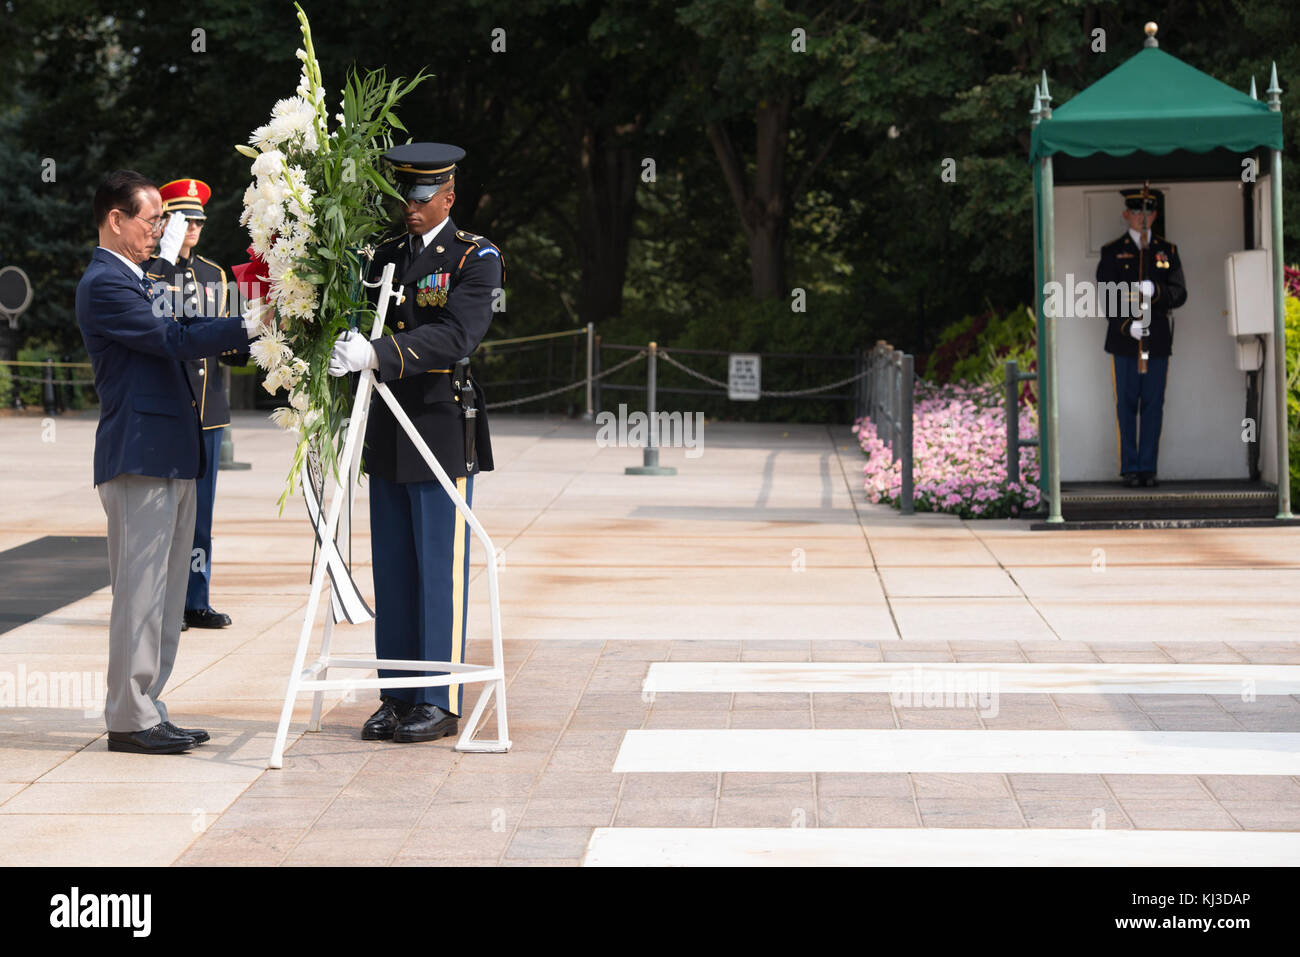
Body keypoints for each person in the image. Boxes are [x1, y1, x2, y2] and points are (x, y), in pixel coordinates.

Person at [76, 170, 263, 754]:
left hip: (170, 453)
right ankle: (129, 717)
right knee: (140, 590)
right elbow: (171, 338)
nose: (161, 229)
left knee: (165, 589)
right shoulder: (107, 282)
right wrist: (254, 322)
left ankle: (146, 707)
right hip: (140, 454)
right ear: (116, 219)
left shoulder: (135, 276)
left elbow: (185, 324)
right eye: (152, 219)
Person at [328, 143, 503, 744]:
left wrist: (378, 354)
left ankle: (439, 695)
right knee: (396, 569)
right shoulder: (383, 255)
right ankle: (398, 694)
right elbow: (358, 313)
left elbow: (457, 335)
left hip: (439, 428)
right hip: (388, 425)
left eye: (423, 198)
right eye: (406, 195)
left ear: (449, 197)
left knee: (437, 568)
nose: (411, 207)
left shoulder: (475, 258)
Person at [143, 178, 246, 630]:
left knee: (200, 517)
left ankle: (195, 599)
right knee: (164, 516)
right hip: (169, 409)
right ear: (166, 222)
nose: (193, 228)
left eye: (199, 219)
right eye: (184, 219)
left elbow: (231, 338)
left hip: (207, 412)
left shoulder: (215, 274)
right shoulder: (151, 270)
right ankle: (163, 602)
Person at [1096, 183, 1187, 487]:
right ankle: (1130, 468)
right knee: (1126, 404)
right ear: (1126, 214)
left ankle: (1148, 467)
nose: (1142, 216)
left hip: (1157, 340)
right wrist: (1127, 325)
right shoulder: (1112, 252)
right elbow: (1107, 296)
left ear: (1156, 214)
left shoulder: (1167, 251)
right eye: (1136, 210)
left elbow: (1179, 293)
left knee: (1152, 403)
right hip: (1125, 341)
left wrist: (1157, 291)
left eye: (1148, 210)